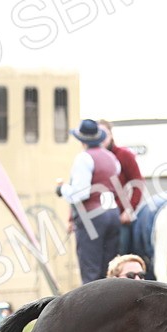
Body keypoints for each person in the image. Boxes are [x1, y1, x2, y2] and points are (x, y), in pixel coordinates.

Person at [56, 119, 121, 284]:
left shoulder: (84, 159)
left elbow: (80, 193)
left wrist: (62, 189)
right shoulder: (111, 157)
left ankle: (92, 308)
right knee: (109, 269)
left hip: (92, 216)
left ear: (81, 140)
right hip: (113, 214)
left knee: (91, 271)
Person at [97, 120, 145, 256]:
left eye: (104, 134)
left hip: (119, 219)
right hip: (97, 219)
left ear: (111, 135)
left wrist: (129, 210)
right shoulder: (91, 158)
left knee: (120, 259)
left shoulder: (124, 155)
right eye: (98, 134)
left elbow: (138, 183)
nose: (101, 138)